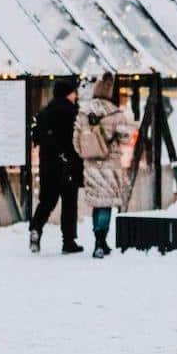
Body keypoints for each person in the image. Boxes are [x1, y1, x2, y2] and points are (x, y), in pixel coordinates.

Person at [74, 73, 135, 258]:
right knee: (105, 204)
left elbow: (76, 140)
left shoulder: (84, 112)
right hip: (110, 165)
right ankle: (101, 242)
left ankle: (98, 240)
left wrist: (87, 153)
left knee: (96, 203)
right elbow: (125, 138)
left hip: (91, 165)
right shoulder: (115, 112)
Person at [28, 78, 83, 254]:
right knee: (69, 204)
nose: (76, 95)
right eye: (74, 92)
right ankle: (68, 241)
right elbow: (76, 141)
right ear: (68, 93)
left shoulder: (44, 112)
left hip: (48, 165)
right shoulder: (72, 113)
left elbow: (35, 136)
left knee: (47, 201)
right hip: (67, 164)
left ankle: (36, 228)